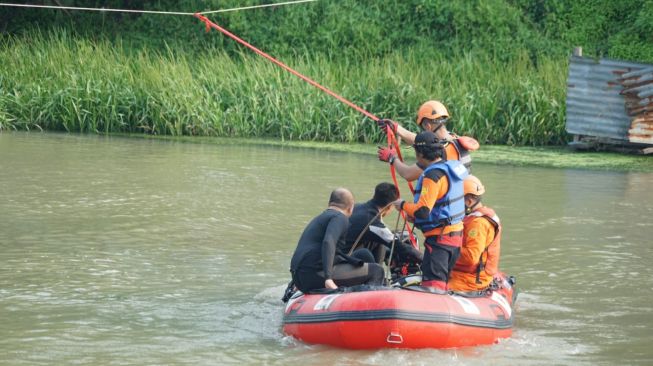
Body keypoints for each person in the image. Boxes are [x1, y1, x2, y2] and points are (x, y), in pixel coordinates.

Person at [389, 131, 469, 290]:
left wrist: (403, 204)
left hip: (440, 240)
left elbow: (423, 211)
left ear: (420, 154)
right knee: (442, 281)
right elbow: (440, 205)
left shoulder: (432, 176)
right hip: (456, 236)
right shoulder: (450, 168)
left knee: (434, 286)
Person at [289, 188, 385, 293]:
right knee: (377, 271)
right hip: (316, 274)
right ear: (350, 207)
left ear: (329, 204)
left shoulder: (320, 218)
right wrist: (328, 278)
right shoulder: (340, 217)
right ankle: (368, 304)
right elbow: (328, 242)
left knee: (363, 254)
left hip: (299, 277)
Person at [377, 100, 479, 181]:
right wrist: (397, 128)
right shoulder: (454, 139)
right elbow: (423, 142)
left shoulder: (439, 152)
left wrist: (392, 158)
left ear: (428, 126)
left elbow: (408, 174)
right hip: (461, 202)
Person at [342, 182, 423, 266]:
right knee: (383, 244)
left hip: (340, 253)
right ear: (390, 206)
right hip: (343, 261)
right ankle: (378, 275)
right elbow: (398, 246)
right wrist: (423, 258)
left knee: (381, 241)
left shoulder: (358, 207)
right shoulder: (371, 221)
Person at [448, 175, 502, 292]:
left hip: (470, 279)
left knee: (433, 288)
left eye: (456, 200)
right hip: (461, 274)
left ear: (469, 201)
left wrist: (447, 247)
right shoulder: (471, 217)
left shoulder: (478, 224)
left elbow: (471, 257)